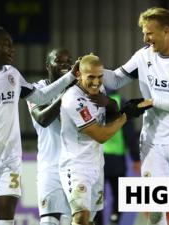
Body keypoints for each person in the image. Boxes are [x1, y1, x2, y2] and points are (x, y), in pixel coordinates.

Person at [102, 7, 169, 225]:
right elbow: (114, 81)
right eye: (144, 33)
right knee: (156, 211)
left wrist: (153, 102)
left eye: (149, 33)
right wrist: (90, 69)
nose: (145, 38)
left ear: (167, 31)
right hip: (154, 142)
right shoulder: (143, 56)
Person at [0, 26, 77, 225]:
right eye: (5, 44)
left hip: (10, 158)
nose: (12, 49)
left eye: (12, 45)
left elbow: (41, 96)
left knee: (6, 218)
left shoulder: (12, 75)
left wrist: (71, 77)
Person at [59, 54, 147, 225]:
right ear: (78, 74)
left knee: (90, 219)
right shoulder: (73, 99)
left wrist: (110, 103)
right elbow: (100, 136)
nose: (96, 82)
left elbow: (111, 113)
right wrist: (126, 116)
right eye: (90, 77)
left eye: (100, 77)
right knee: (80, 217)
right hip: (76, 166)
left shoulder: (100, 90)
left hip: (97, 165)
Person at [26, 48, 74, 225]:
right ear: (48, 65)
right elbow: (43, 119)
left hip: (76, 167)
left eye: (68, 61)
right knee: (49, 221)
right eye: (59, 61)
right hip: (50, 167)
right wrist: (66, 93)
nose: (65, 65)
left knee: (70, 220)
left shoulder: (79, 89)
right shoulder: (37, 90)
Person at [91, 90, 141, 225]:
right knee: (119, 194)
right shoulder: (120, 101)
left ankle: (98, 222)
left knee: (97, 195)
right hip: (116, 158)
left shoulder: (90, 100)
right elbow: (129, 132)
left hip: (96, 157)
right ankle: (114, 219)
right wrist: (135, 158)